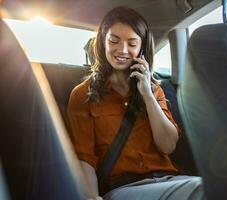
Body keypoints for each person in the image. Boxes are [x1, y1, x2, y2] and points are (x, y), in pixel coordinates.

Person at [67, 6, 205, 200]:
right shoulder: (83, 95)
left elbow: (168, 146)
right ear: (102, 42)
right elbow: (84, 158)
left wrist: (147, 95)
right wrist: (91, 197)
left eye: (132, 43)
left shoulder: (154, 90)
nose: (122, 50)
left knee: (218, 187)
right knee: (206, 189)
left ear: (141, 49)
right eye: (114, 41)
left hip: (170, 181)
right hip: (122, 188)